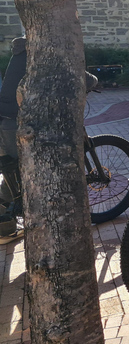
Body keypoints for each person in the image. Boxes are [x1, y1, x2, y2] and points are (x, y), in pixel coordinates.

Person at [0, 37, 99, 244]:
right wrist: (91, 82)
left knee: (11, 168)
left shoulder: (19, 55)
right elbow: (82, 76)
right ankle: (8, 226)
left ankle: (7, 222)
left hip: (6, 118)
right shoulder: (42, 52)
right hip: (16, 123)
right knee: (20, 170)